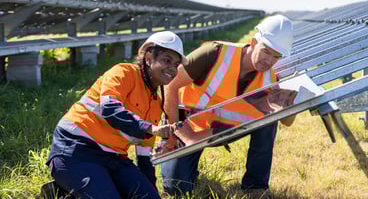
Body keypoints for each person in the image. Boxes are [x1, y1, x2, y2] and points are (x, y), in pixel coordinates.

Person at [160, 14, 295, 198]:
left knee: (269, 119)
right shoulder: (214, 53)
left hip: (222, 130)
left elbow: (287, 122)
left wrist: (292, 101)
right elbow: (171, 85)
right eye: (266, 51)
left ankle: (255, 186)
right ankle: (187, 166)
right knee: (177, 189)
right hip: (186, 126)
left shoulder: (270, 79)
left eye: (276, 57)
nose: (268, 61)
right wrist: (173, 133)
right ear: (254, 42)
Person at [46, 31, 188, 199]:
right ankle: (66, 191)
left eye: (176, 64)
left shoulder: (155, 104)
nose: (172, 68)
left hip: (113, 157)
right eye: (166, 60)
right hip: (75, 149)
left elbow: (144, 158)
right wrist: (152, 128)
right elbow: (110, 109)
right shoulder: (123, 72)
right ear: (149, 58)